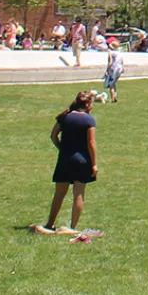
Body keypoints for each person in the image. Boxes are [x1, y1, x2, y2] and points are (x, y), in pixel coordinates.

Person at [35, 91, 99, 236]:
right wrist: (94, 164)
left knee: (59, 194)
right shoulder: (89, 120)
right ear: (88, 104)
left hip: (65, 159)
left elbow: (53, 135)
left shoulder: (65, 117)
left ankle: (50, 224)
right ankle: (72, 227)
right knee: (78, 194)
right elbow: (91, 143)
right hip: (82, 160)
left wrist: (61, 148)